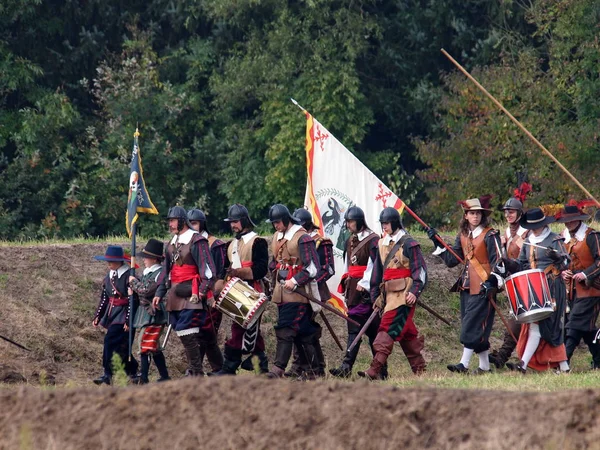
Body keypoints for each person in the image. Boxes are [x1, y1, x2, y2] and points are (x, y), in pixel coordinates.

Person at [428, 195, 501, 374]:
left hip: (485, 287)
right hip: (466, 286)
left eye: (478, 213)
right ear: (466, 216)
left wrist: (493, 281)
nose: (475, 216)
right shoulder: (462, 235)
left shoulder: (491, 235)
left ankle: (464, 364)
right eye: (471, 213)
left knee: (470, 325)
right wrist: (437, 243)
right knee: (474, 326)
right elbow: (452, 260)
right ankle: (485, 367)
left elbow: (499, 261)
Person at [357, 207, 427, 379]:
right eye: (382, 224)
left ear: (395, 222)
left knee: (386, 328)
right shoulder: (381, 244)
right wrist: (376, 297)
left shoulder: (409, 243)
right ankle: (420, 371)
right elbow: (377, 273)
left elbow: (420, 271)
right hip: (389, 295)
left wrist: (415, 292)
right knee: (407, 334)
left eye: (387, 223)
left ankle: (375, 369)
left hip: (404, 296)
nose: (384, 227)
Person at [503, 207, 570, 373]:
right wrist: (510, 264)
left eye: (536, 225)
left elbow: (566, 264)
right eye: (531, 226)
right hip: (534, 288)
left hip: (553, 286)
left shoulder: (555, 239)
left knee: (552, 327)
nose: (534, 229)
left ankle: (558, 366)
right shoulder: (527, 240)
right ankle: (525, 364)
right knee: (535, 326)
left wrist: (558, 258)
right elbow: (522, 264)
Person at [153, 206, 216, 377]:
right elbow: (166, 272)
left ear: (181, 221)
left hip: (193, 293)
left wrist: (203, 290)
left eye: (172, 220)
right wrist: (159, 293)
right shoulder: (171, 244)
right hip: (175, 294)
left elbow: (208, 269)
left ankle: (196, 371)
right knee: (187, 332)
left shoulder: (197, 241)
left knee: (186, 329)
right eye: (169, 221)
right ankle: (199, 370)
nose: (170, 224)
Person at [266, 204, 321, 378]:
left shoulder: (303, 238)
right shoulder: (277, 236)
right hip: (281, 292)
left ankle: (278, 368)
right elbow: (275, 262)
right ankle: (314, 370)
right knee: (303, 333)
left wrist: (295, 280)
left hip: (298, 292)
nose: (276, 225)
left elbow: (313, 268)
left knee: (286, 328)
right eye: (273, 223)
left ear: (286, 219)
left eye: (278, 222)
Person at [329, 206, 383, 378]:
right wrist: (346, 285)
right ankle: (378, 370)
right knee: (366, 332)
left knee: (361, 331)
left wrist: (366, 283)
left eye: (351, 221)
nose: (348, 225)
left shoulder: (373, 239)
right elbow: (348, 265)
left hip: (367, 291)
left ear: (359, 221)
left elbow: (375, 265)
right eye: (347, 222)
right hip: (353, 290)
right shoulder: (349, 240)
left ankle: (348, 367)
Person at [216, 204, 269, 375]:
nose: (233, 225)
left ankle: (229, 368)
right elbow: (225, 269)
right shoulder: (230, 245)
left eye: (236, 221)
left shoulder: (258, 242)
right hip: (234, 290)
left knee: (241, 329)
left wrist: (238, 272)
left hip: (252, 289)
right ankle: (261, 365)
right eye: (231, 222)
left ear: (244, 220)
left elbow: (261, 269)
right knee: (243, 328)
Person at [284, 207, 334, 378]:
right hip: (298, 289)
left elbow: (328, 270)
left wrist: (310, 283)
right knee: (299, 329)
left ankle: (314, 368)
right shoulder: (296, 240)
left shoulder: (322, 242)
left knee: (305, 330)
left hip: (314, 291)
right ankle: (302, 365)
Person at [489, 189, 530, 369]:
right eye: (506, 212)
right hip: (512, 284)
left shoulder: (527, 233)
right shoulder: (505, 233)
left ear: (519, 213)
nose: (508, 215)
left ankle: (505, 356)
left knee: (521, 320)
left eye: (511, 212)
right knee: (518, 319)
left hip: (528, 282)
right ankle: (505, 356)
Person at [557, 202, 600, 369]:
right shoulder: (564, 237)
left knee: (574, 324)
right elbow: (563, 262)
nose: (569, 223)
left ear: (579, 219)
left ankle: (564, 364)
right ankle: (598, 361)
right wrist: (564, 271)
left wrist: (585, 274)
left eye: (572, 219)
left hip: (593, 288)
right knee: (586, 329)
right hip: (573, 291)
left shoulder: (592, 236)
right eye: (567, 220)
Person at [92, 245, 139, 385]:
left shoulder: (129, 276)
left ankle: (107, 373)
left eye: (111, 261)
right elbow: (104, 299)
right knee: (121, 347)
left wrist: (128, 321)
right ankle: (133, 371)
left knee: (110, 341)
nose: (109, 263)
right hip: (112, 314)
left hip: (124, 314)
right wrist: (98, 316)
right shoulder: (109, 277)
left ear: (119, 261)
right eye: (108, 261)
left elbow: (133, 300)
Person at [187, 208, 225, 374]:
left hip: (211, 294)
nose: (192, 226)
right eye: (190, 223)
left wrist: (212, 293)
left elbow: (219, 272)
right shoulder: (186, 243)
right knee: (201, 334)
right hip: (193, 293)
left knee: (205, 333)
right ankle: (218, 368)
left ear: (201, 224)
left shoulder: (214, 244)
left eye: (194, 223)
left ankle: (196, 370)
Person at [129, 238, 170, 383]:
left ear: (154, 259)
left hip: (155, 312)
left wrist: (133, 282)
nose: (144, 260)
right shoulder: (148, 272)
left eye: (146, 257)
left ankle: (144, 377)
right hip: (147, 312)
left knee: (144, 343)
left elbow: (145, 290)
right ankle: (164, 376)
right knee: (153, 346)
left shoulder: (159, 274)